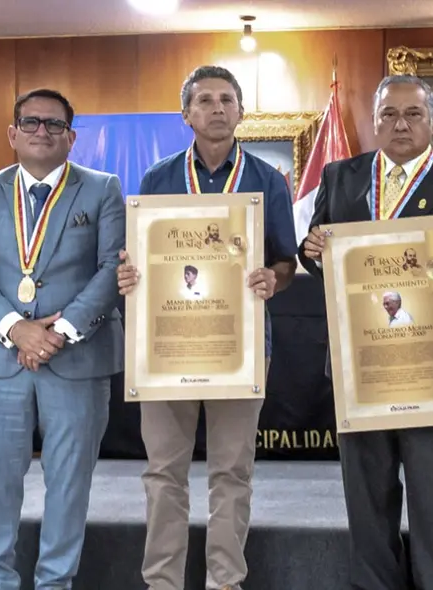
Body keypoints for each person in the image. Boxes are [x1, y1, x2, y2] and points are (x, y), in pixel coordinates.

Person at [299, 74, 433, 590]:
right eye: (388, 114)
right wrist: (310, 250)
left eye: (412, 114)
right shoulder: (341, 177)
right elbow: (320, 256)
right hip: (360, 366)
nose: (400, 124)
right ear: (374, 121)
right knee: (367, 502)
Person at [115, 65, 297, 590]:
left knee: (231, 473)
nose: (217, 108)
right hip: (167, 344)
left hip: (237, 346)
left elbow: (285, 263)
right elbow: (141, 257)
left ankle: (225, 581)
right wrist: (130, 274)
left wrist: (273, 278)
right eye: (205, 100)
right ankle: (163, 581)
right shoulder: (158, 179)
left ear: (241, 111)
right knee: (163, 473)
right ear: (186, 114)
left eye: (227, 100)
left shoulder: (267, 181)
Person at [0, 88, 126, 589]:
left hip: (78, 358)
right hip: (3, 359)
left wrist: (62, 331)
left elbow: (111, 268)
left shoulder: (101, 188)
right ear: (12, 134)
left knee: (69, 486)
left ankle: (55, 583)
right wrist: (17, 329)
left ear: (71, 137)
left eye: (54, 125)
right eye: (30, 123)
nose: (41, 132)